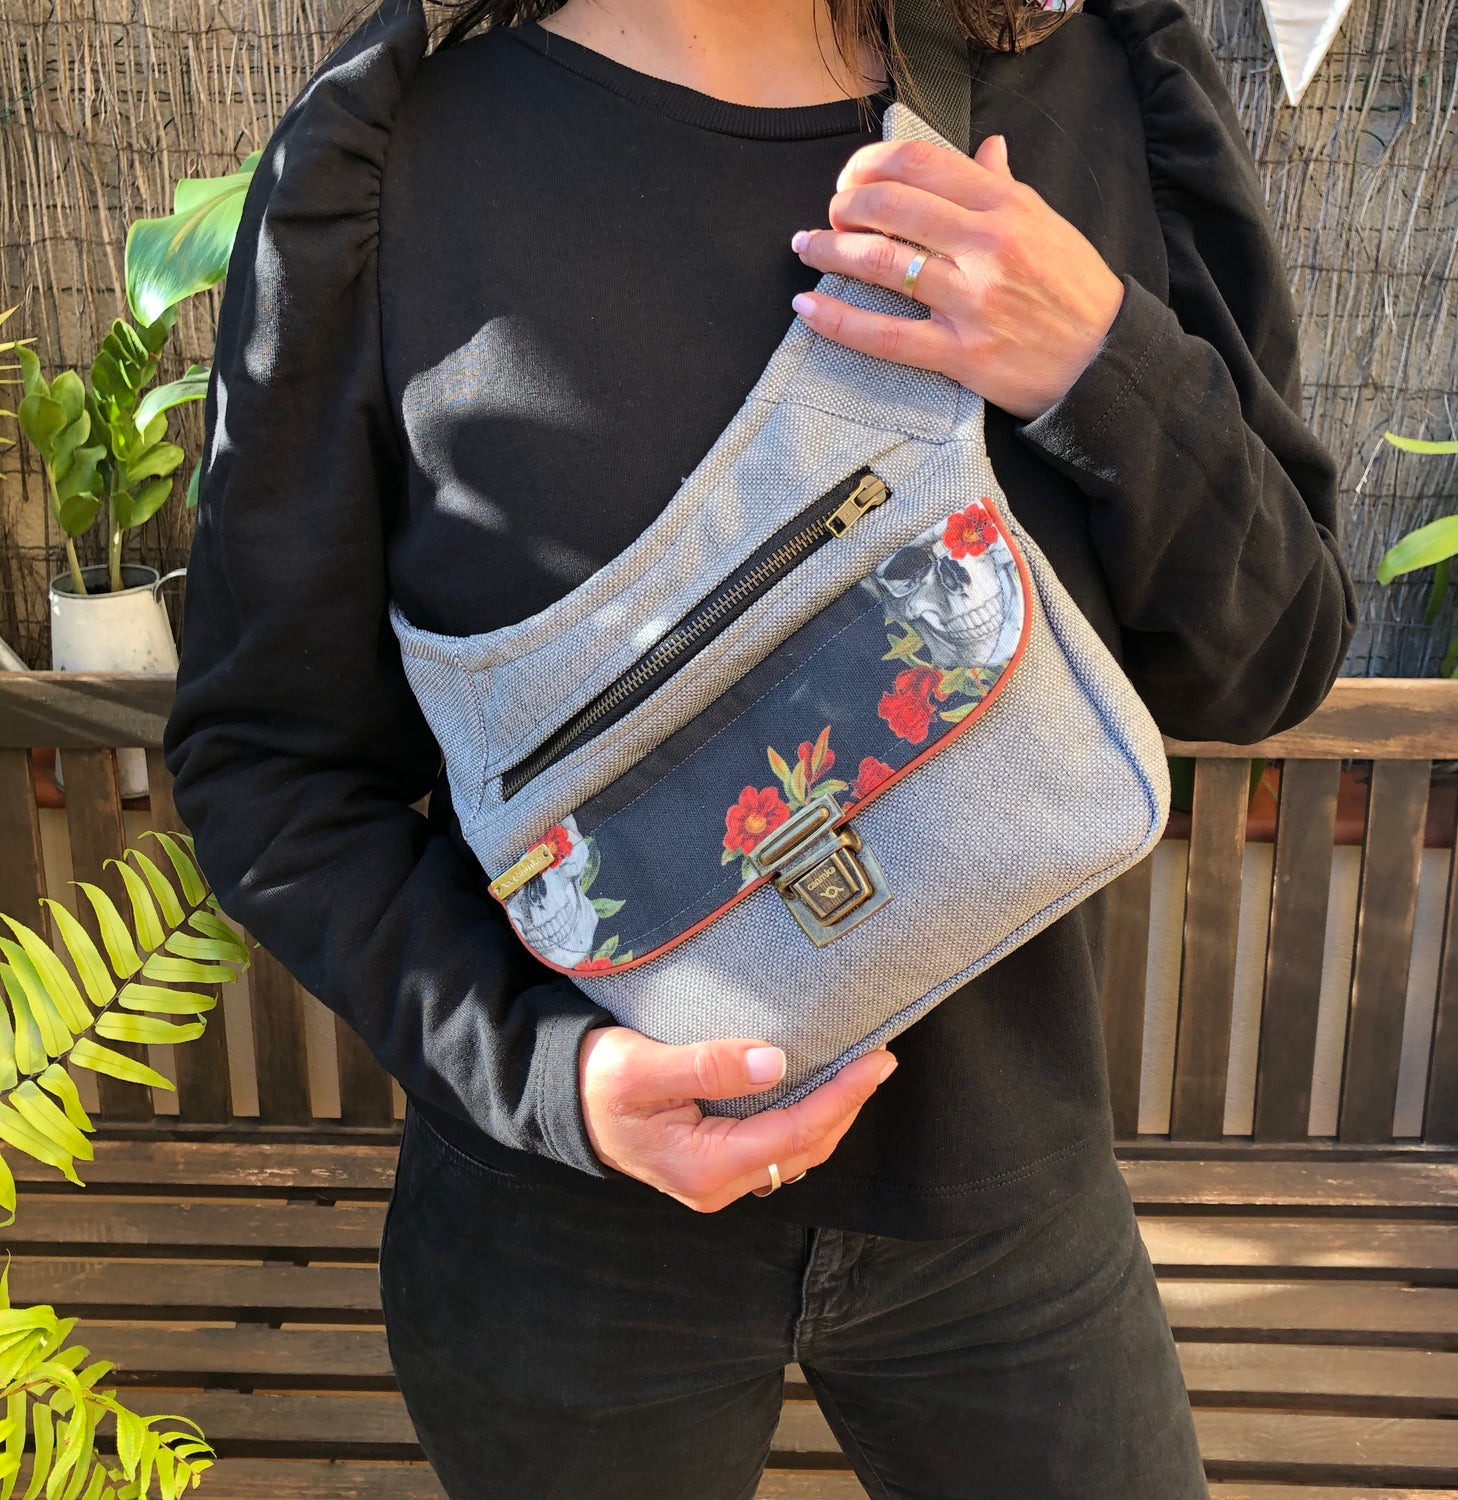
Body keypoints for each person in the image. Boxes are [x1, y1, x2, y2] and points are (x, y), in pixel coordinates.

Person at [162, 0, 1358, 1492]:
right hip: (571, 1242)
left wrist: (1102, 365)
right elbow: (268, 764)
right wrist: (549, 1075)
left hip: (1004, 1207)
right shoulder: (386, 163)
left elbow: (1273, 661)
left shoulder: (1088, 88)